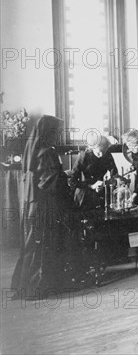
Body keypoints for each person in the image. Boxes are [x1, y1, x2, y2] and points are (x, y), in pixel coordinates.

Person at [11, 115, 71, 299]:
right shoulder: (48, 153)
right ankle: (36, 288)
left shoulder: (32, 150)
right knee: (41, 245)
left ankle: (22, 286)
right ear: (49, 132)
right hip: (44, 207)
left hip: (31, 206)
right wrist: (64, 177)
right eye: (57, 132)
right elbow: (50, 184)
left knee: (30, 246)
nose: (59, 135)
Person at [68, 135, 118, 210]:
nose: (101, 155)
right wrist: (91, 186)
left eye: (103, 152)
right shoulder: (84, 156)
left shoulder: (107, 155)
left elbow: (114, 174)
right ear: (92, 147)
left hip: (101, 191)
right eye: (99, 152)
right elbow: (71, 181)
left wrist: (106, 183)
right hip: (85, 193)